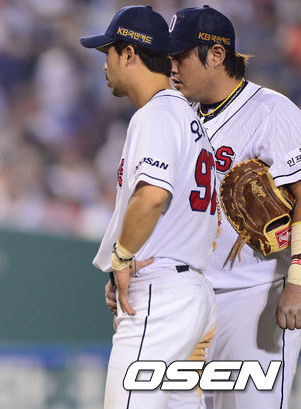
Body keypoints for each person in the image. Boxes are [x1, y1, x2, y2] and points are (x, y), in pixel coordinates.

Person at [80, 6, 218, 409]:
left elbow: (152, 195)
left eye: (108, 52)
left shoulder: (157, 114)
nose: (104, 64)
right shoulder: (187, 117)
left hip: (161, 296)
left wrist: (122, 259)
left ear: (129, 53)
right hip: (192, 293)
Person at [166, 5, 301, 409]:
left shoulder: (272, 112)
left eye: (181, 56)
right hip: (192, 297)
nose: (172, 66)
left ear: (216, 54)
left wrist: (297, 281)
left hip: (256, 296)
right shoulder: (177, 115)